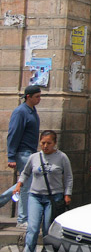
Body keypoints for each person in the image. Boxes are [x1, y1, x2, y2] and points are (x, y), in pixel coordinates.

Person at [14, 130, 72, 252]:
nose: (45, 146)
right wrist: (19, 184)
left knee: (48, 229)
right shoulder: (34, 157)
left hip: (53, 198)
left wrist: (67, 194)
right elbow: (25, 173)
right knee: (33, 228)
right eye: (43, 143)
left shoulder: (62, 157)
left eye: (49, 143)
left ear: (54, 143)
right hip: (35, 196)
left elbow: (68, 177)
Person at [0, 85, 42, 227]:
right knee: (25, 186)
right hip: (23, 153)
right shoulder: (20, 112)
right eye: (37, 96)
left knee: (25, 183)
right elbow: (13, 133)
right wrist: (11, 156)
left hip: (30, 153)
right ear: (28, 97)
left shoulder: (32, 111)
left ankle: (1, 201)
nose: (39, 99)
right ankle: (23, 219)